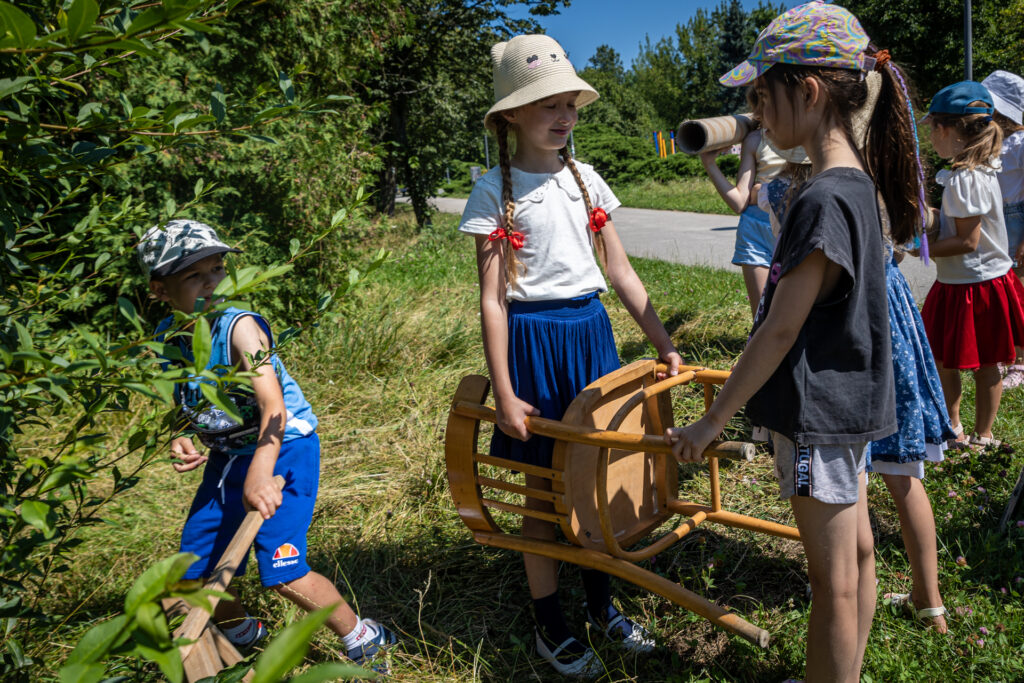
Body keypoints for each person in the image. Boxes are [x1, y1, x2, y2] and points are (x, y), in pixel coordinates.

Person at [665, 3, 921, 680]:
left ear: (807, 92)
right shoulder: (853, 185)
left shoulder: (821, 198)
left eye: (760, 94)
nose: (755, 111)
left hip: (817, 420)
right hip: (853, 410)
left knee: (831, 582)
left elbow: (780, 326)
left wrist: (714, 418)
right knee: (858, 558)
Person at [458, 34, 683, 677]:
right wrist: (503, 390)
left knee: (596, 478)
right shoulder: (492, 195)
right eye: (546, 105)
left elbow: (623, 275)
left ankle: (603, 605)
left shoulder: (588, 182)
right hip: (534, 344)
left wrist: (663, 342)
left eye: (570, 106)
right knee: (540, 489)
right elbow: (495, 301)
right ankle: (550, 624)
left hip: (591, 339)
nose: (563, 117)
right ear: (510, 117)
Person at [136, 219, 398, 670]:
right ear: (160, 291)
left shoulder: (239, 330)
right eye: (194, 276)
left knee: (282, 572)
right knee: (192, 577)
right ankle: (243, 635)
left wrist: (260, 469)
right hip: (228, 459)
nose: (212, 283)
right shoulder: (165, 340)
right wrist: (183, 434)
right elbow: (181, 397)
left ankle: (363, 637)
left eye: (216, 269)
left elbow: (272, 405)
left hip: (284, 449)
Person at [920, 81, 1024, 448]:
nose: (930, 137)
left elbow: (967, 240)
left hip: (972, 285)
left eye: (931, 128)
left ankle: (973, 433)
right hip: (973, 280)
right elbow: (961, 226)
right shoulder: (980, 169)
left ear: (946, 129)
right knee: (966, 362)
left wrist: (922, 247)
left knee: (973, 362)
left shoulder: (964, 177)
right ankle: (962, 431)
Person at [700, 96, 790, 318]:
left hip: (791, 229)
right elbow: (740, 200)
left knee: (793, 315)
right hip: (755, 231)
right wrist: (709, 164)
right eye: (759, 101)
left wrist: (763, 193)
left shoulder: (807, 138)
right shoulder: (754, 140)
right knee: (762, 316)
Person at [980, 70, 1024, 389]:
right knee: (1001, 288)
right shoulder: (994, 140)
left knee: (1019, 292)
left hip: (1017, 216)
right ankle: (1003, 353)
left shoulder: (1021, 143)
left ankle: (1020, 362)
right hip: (996, 216)